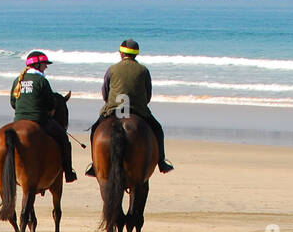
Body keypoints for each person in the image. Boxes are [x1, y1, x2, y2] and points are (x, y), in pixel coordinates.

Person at [85, 39, 173, 176]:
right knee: (157, 129)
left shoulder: (112, 69)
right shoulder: (143, 70)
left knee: (96, 129)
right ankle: (161, 162)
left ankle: (94, 165)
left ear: (121, 53)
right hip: (138, 109)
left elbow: (105, 93)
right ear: (136, 54)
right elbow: (148, 95)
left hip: (114, 108)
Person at [10, 50, 77, 182]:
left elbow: (13, 103)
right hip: (39, 119)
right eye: (45, 64)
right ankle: (68, 172)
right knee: (63, 138)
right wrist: (48, 111)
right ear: (38, 65)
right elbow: (50, 104)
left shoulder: (17, 80)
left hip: (19, 119)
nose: (46, 67)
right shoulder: (42, 80)